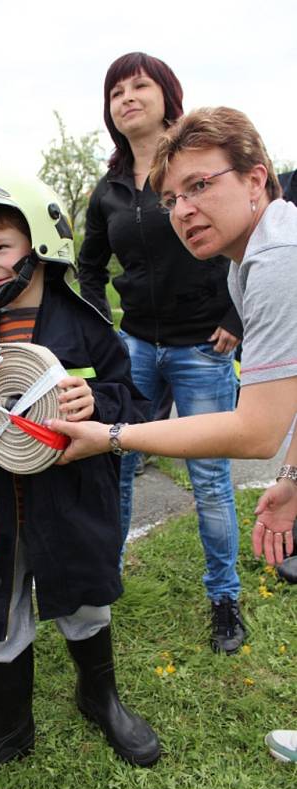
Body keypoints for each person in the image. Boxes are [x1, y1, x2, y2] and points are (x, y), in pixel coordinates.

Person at [0, 166, 160, 789]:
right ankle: (0, 730)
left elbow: (133, 404)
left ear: (39, 244)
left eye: (2, 246)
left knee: (83, 598)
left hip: (71, 502)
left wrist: (97, 404)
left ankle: (99, 697)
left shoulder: (86, 328)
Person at [48, 106, 297, 574]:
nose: (182, 211)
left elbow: (256, 433)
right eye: (170, 199)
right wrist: (294, 478)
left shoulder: (277, 259)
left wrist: (113, 435)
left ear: (255, 179)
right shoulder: (249, 259)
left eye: (200, 185)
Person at [77, 53, 244, 655]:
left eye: (139, 85)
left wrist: (235, 315)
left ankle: (224, 597)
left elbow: (242, 234)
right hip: (136, 352)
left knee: (210, 477)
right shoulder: (109, 190)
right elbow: (88, 269)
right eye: (115, 90)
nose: (127, 97)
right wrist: (105, 334)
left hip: (202, 347)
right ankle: (106, 584)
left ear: (166, 93)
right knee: (116, 467)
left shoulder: (198, 165)